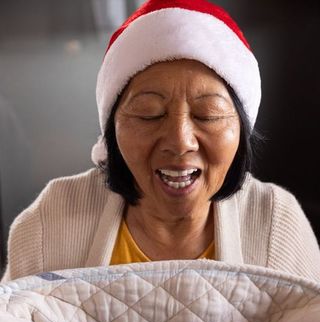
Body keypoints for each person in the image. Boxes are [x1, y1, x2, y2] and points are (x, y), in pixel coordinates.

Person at [2, 0, 320, 283]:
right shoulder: (51, 222)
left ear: (241, 128)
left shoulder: (278, 224)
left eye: (207, 114)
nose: (180, 142)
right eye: (148, 114)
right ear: (111, 130)